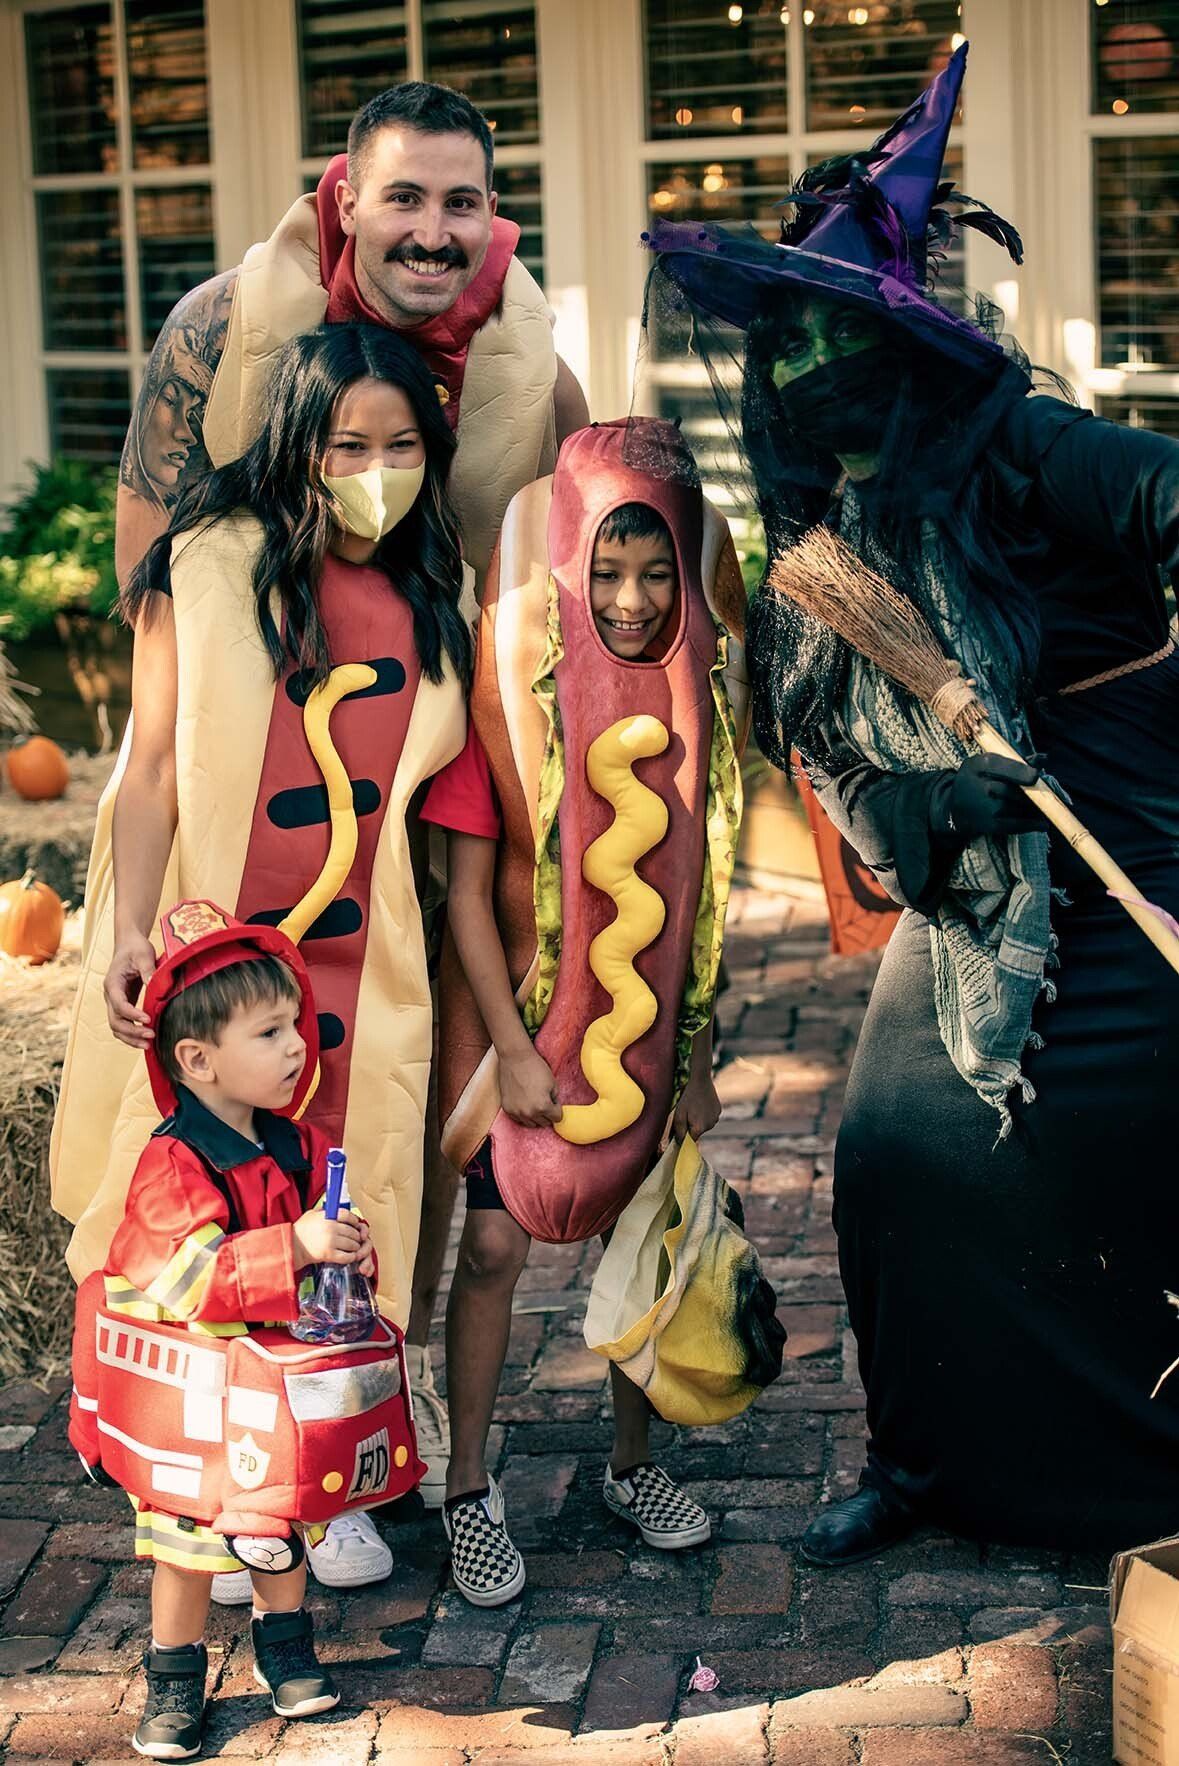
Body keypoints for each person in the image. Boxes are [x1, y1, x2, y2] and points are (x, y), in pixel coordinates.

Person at [644, 42, 1179, 1562]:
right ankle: (922, 1461)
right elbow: (849, 777)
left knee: (1120, 1125)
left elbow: (1162, 496)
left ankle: (1134, 1481)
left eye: (847, 361)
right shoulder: (833, 536)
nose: (818, 394)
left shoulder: (1020, 447)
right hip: (983, 874)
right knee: (888, 1150)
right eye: (792, 366)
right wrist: (948, 792)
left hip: (1127, 839)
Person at [109, 78, 591, 1547]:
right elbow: (161, 593)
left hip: (427, 773)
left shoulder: (528, 365)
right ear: (345, 197)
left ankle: (373, 1396)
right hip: (246, 800)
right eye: (404, 199)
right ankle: (220, 1410)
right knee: (224, 1136)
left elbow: (567, 585)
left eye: (462, 204)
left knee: (388, 1125)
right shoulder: (221, 332)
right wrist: (144, 891)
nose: (433, 233)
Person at [51, 322, 470, 1597]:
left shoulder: (433, 597)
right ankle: (205, 1465)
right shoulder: (206, 563)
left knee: (346, 1211)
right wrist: (129, 929)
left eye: (402, 446)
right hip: (220, 964)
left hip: (363, 984)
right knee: (202, 1198)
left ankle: (322, 1470)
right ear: (299, 442)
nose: (376, 468)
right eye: (350, 443)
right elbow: (154, 764)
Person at [421, 419, 753, 1604]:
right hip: (510, 1022)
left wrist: (701, 1054)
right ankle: (467, 1484)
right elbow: (465, 896)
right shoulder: (506, 693)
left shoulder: (698, 707)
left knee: (637, 1233)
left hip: (648, 1028)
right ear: (566, 567)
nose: (629, 597)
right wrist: (510, 1052)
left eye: (656, 569)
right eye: (605, 572)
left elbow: (699, 893)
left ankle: (630, 1459)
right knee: (498, 1242)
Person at [87, 904, 365, 1760]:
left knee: (275, 1524)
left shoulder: (300, 1148)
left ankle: (284, 1653)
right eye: (270, 1030)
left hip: (272, 1392)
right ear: (197, 1059)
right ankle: (173, 1677)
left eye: (294, 1024)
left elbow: (333, 1263)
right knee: (190, 1544)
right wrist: (297, 1247)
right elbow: (192, 1280)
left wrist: (348, 1258)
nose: (296, 1045)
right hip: (198, 1402)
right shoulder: (172, 1166)